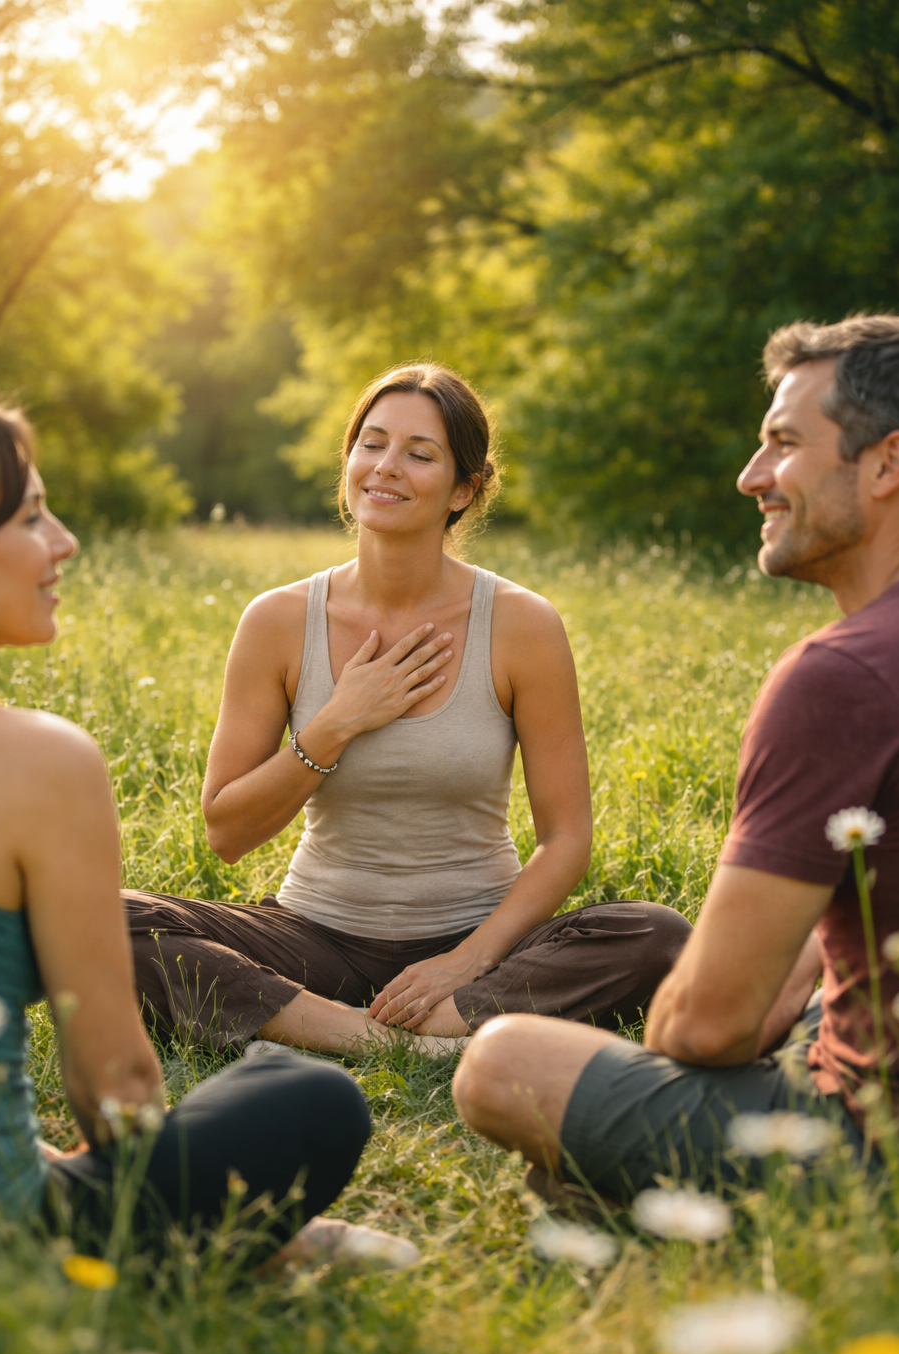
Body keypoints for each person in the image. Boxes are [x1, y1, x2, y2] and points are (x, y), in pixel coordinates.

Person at [0, 387, 407, 1268]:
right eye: (31, 517)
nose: (64, 541)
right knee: (308, 1096)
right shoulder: (37, 762)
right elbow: (117, 1091)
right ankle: (237, 1244)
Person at [452, 315, 899, 1201]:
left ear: (886, 463)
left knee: (502, 1060)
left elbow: (706, 1029)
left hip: (897, 1153)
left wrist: (697, 1026)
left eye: (784, 444)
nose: (751, 477)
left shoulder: (846, 674)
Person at [125, 364, 691, 1057]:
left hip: (475, 937)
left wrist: (469, 961)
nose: (386, 468)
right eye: (372, 443)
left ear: (464, 488)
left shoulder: (521, 625)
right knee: (105, 920)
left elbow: (566, 839)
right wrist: (337, 722)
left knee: (656, 936)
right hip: (316, 937)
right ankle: (386, 1039)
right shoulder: (276, 621)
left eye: (419, 454)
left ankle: (365, 1021)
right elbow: (227, 831)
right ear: (348, 461)